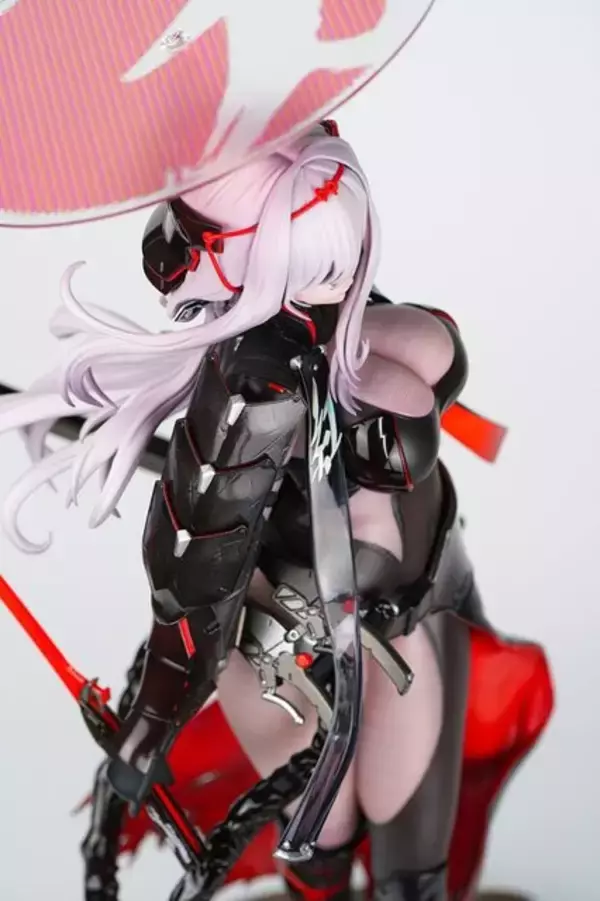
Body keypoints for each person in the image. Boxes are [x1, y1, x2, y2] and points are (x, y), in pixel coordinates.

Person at [0, 122, 553, 901]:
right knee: (318, 849)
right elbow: (196, 583)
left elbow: (433, 365)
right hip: (277, 649)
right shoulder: (254, 390)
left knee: (409, 864)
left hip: (408, 620)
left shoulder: (373, 332)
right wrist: (147, 729)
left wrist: (147, 732)